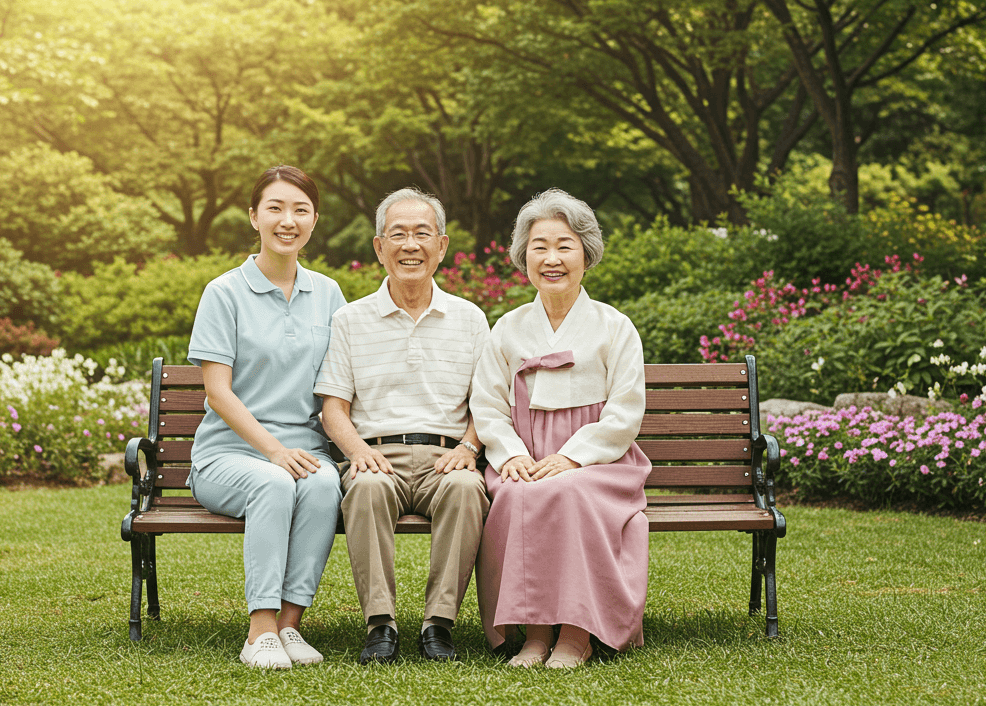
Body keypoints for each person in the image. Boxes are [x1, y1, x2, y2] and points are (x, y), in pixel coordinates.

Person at [470, 188, 652, 669]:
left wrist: (571, 458)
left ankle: (576, 633)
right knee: (516, 495)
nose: (551, 258)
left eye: (564, 245)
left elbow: (625, 411)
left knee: (569, 493)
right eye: (539, 247)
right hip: (525, 456)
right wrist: (511, 456)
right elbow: (487, 406)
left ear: (586, 254)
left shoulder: (615, 327)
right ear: (523, 256)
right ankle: (534, 633)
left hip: (599, 461)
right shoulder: (507, 328)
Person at [315, 187, 492, 664]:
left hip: (446, 456)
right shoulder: (350, 319)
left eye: (421, 234)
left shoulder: (471, 319)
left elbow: (488, 403)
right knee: (367, 488)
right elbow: (333, 408)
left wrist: (470, 448)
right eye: (398, 234)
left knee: (465, 489)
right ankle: (381, 624)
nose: (409, 245)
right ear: (379, 247)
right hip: (376, 453)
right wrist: (356, 452)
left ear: (442, 246)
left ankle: (438, 624)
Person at [185, 165, 347, 670]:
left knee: (323, 485)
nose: (287, 220)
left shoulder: (328, 293)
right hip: (228, 457)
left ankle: (290, 626)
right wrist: (273, 451)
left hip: (306, 453)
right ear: (254, 216)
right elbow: (218, 393)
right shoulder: (224, 292)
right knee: (273, 484)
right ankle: (260, 630)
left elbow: (340, 385)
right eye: (275, 208)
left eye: (300, 210)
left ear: (314, 220)